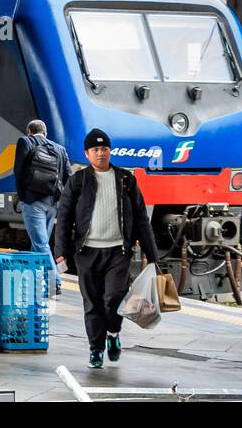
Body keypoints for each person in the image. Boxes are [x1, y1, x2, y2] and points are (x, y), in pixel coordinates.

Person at [54, 128, 159, 369]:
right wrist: (60, 252)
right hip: (86, 252)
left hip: (117, 252)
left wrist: (151, 255)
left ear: (110, 151)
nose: (101, 153)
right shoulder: (78, 181)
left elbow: (141, 218)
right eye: (96, 150)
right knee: (92, 304)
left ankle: (113, 333)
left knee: (113, 299)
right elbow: (64, 217)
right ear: (87, 154)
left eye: (105, 149)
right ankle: (95, 350)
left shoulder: (125, 179)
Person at [13, 119, 70, 294]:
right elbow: (68, 176)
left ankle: (55, 282)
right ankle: (35, 281)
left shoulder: (26, 141)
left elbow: (18, 171)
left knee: (40, 243)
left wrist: (22, 198)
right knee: (38, 243)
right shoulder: (59, 149)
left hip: (33, 202)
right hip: (52, 203)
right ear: (45, 133)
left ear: (29, 131)